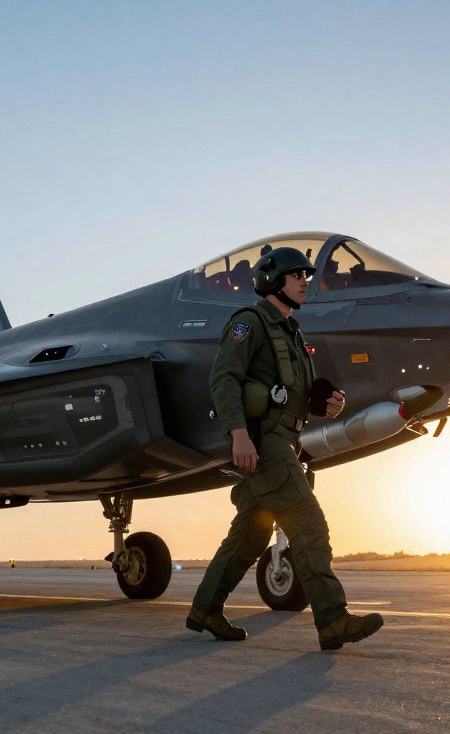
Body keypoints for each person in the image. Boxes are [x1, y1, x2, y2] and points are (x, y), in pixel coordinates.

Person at [185, 247, 384, 651]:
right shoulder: (249, 324)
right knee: (308, 524)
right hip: (265, 443)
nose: (305, 282)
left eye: (306, 276)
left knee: (251, 533)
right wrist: (238, 434)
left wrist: (324, 403)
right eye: (297, 275)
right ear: (272, 280)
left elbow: (295, 391)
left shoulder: (291, 332)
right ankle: (332, 620)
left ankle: (206, 608)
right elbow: (224, 380)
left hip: (285, 442)